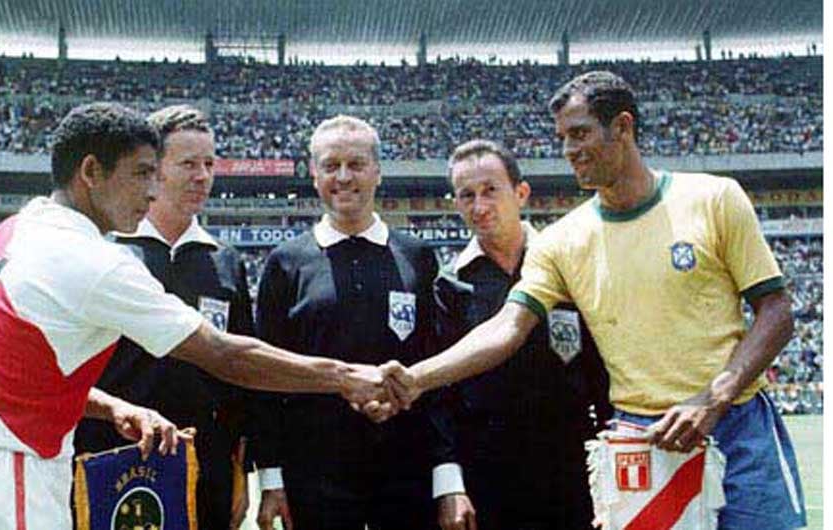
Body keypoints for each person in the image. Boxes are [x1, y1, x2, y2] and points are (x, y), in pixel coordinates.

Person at [0, 103, 400, 530]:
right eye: (142, 174)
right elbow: (224, 355)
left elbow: (28, 375)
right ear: (91, 171)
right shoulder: (95, 263)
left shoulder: (17, 229)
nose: (152, 192)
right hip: (11, 486)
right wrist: (345, 377)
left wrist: (113, 407)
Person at [387, 72, 807, 529]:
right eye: (563, 138)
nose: (569, 150)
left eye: (580, 133)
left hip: (737, 423)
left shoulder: (714, 198)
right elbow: (508, 328)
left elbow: (777, 311)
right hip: (641, 439)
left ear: (623, 126)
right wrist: (415, 378)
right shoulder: (563, 241)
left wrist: (714, 397)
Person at [253, 115, 439, 530]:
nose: (343, 177)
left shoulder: (418, 256)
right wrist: (271, 478)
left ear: (377, 171)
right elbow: (264, 378)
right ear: (314, 174)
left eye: (355, 165)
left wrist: (447, 477)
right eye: (330, 165)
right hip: (316, 476)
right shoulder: (285, 263)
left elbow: (437, 368)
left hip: (406, 471)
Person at [73, 105, 252, 529]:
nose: (202, 176)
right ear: (154, 170)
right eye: (188, 163)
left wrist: (240, 468)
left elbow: (240, 379)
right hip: (114, 460)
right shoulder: (107, 252)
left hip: (204, 468)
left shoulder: (225, 262)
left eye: (209, 164)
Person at [430, 139, 610, 530]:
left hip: (574, 470)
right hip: (488, 477)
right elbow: (441, 396)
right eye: (467, 195)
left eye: (491, 190)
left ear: (521, 193)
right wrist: (450, 483)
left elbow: (604, 370)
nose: (480, 206)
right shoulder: (449, 287)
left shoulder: (570, 266)